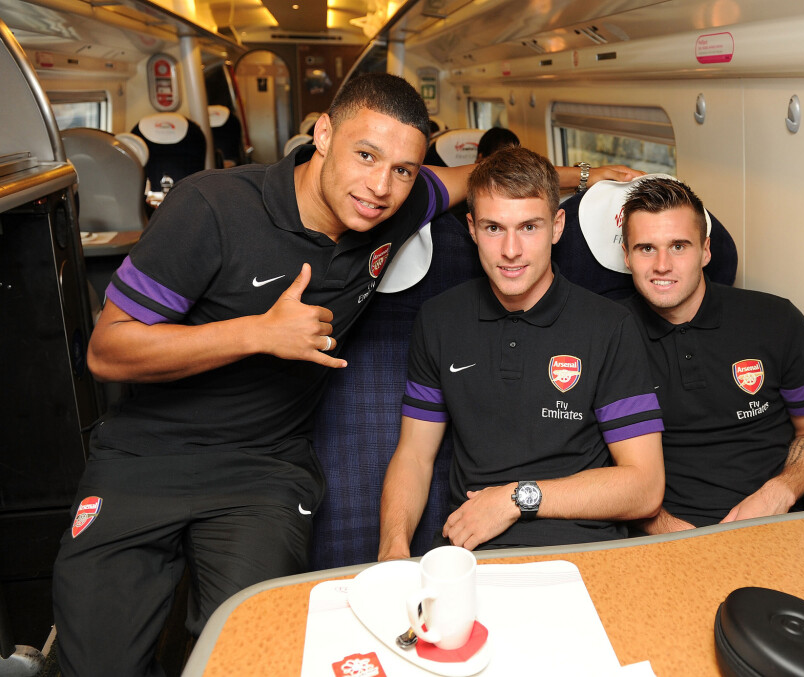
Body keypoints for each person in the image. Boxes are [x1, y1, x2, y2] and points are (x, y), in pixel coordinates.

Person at [52, 72, 642, 677]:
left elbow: (482, 182)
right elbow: (107, 350)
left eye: (403, 169)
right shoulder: (211, 206)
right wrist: (256, 332)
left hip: (265, 468)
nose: (380, 186)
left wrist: (586, 180)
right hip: (147, 454)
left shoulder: (397, 202)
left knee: (248, 652)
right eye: (366, 155)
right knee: (97, 662)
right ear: (324, 134)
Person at [377, 147, 665, 558]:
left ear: (557, 226)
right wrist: (393, 549)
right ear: (472, 229)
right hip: (476, 551)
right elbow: (415, 457)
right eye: (494, 228)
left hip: (584, 549)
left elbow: (645, 487)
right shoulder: (439, 319)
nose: (511, 250)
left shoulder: (609, 326)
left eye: (529, 227)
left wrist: (515, 499)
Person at [619, 176, 804, 532]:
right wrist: (664, 529)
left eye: (679, 246)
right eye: (646, 248)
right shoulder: (607, 336)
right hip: (659, 532)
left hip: (772, 522)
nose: (662, 265)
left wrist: (779, 492)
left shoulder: (777, 321)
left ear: (705, 250)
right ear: (626, 255)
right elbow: (596, 461)